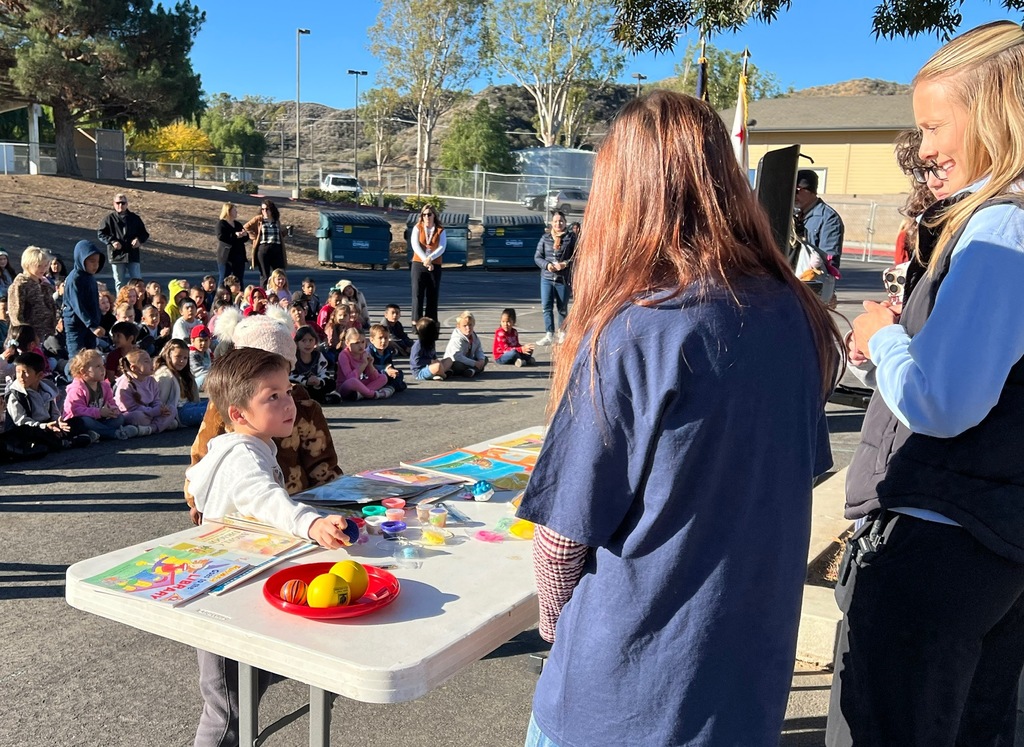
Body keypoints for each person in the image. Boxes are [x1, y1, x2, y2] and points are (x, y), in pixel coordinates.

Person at [514, 91, 842, 747]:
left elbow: (558, 542)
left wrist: (556, 624)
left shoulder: (640, 325)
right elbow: (783, 480)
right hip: (741, 689)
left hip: (621, 696)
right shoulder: (793, 314)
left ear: (625, 195)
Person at [825, 21, 1024, 747]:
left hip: (937, 545)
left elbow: (945, 400)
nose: (925, 148)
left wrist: (884, 337)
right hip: (986, 542)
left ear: (998, 112)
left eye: (934, 125)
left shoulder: (1001, 228)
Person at [185, 347, 354, 747]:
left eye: (287, 391)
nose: (288, 403)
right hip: (223, 597)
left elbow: (208, 483)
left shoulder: (247, 445)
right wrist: (309, 523)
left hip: (240, 583)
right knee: (227, 711)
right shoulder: (244, 455)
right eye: (271, 396)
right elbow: (263, 497)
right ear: (239, 414)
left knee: (246, 688)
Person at [187, 313, 343, 510]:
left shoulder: (304, 407)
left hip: (298, 504)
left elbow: (322, 464)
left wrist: (335, 500)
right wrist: (197, 500)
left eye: (280, 369)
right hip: (244, 509)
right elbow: (202, 455)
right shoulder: (223, 407)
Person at [4, 351, 91, 450]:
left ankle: (68, 439)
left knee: (77, 422)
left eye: (25, 372)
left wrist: (58, 423)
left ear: (40, 375)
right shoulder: (15, 394)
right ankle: (65, 443)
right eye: (18, 372)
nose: (21, 376)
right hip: (28, 429)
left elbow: (54, 412)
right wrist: (44, 426)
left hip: (47, 426)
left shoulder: (47, 390)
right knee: (33, 433)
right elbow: (21, 421)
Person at [62, 348, 136, 441]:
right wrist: (99, 412)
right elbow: (76, 411)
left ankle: (98, 434)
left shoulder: (104, 385)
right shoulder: (77, 388)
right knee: (86, 421)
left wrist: (113, 410)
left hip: (98, 420)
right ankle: (114, 433)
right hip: (79, 422)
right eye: (98, 366)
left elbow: (111, 401)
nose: (103, 369)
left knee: (119, 418)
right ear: (83, 371)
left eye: (103, 365)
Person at [534, 210, 576, 346]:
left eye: (561, 221)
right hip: (546, 278)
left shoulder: (571, 238)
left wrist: (565, 263)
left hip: (562, 279)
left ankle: (562, 333)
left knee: (562, 307)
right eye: (556, 221)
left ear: (565, 223)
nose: (559, 223)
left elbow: (578, 256)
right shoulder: (545, 238)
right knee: (546, 307)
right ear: (552, 223)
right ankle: (549, 334)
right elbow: (537, 257)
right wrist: (547, 266)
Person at [62, 240, 107, 361]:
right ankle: (69, 379)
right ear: (81, 259)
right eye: (91, 261)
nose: (95, 265)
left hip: (90, 326)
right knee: (77, 360)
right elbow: (78, 306)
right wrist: (92, 326)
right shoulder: (75, 279)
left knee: (90, 359)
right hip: (76, 325)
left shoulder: (90, 278)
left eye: (97, 262)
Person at [113, 349, 174, 434]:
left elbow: (156, 400)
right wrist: (155, 411)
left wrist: (160, 408)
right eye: (146, 361)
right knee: (138, 417)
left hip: (150, 412)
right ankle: (160, 425)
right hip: (133, 413)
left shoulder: (151, 380)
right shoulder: (125, 384)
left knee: (172, 409)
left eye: (150, 360)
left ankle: (150, 429)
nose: (151, 363)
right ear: (134, 368)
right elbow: (131, 408)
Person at [97, 192, 149, 291]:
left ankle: (138, 303)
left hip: (132, 254)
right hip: (116, 255)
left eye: (123, 203)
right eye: (118, 203)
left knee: (137, 281)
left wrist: (139, 240)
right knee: (119, 282)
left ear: (127, 204)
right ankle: (120, 304)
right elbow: (101, 234)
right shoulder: (108, 219)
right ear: (114, 204)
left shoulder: (135, 218)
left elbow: (144, 234)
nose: (120, 205)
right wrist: (112, 241)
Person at [6, 246, 58, 346]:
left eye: (46, 265)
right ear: (28, 265)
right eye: (39, 266)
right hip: (27, 340)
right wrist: (27, 337)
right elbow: (16, 316)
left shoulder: (44, 284)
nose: (44, 269)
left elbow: (51, 306)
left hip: (46, 335)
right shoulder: (20, 285)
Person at [794, 169, 845, 268]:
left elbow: (829, 258)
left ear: (811, 191)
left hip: (813, 278)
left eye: (797, 190)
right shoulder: (792, 214)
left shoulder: (829, 218)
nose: (793, 194)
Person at [153, 339, 208, 428]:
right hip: (179, 413)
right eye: (178, 356)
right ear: (168, 356)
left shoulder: (184, 373)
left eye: (185, 358)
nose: (182, 361)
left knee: (214, 404)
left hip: (189, 406)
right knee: (209, 411)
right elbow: (160, 400)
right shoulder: (165, 375)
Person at [335, 328, 394, 401]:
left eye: (363, 342)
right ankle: (374, 394)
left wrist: (370, 365)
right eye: (356, 343)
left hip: (358, 384)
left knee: (383, 377)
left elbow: (374, 377)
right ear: (347, 343)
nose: (361, 346)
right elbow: (349, 377)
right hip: (345, 386)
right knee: (353, 381)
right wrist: (364, 364)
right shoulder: (343, 355)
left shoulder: (364, 353)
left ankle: (361, 394)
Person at [410, 205, 445, 321]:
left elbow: (442, 247)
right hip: (419, 264)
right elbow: (415, 245)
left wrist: (430, 258)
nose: (426, 217)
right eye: (424, 215)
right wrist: (425, 259)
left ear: (434, 215)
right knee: (417, 295)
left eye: (429, 214)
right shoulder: (417, 228)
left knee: (432, 296)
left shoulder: (440, 229)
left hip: (435, 264)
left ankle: (430, 324)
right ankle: (416, 323)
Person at [290, 325, 340, 405]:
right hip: (302, 385)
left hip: (316, 386)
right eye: (304, 341)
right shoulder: (294, 357)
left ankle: (318, 398)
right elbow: (291, 376)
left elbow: (324, 372)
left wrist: (319, 381)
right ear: (297, 343)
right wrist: (306, 381)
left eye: (311, 340)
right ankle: (315, 399)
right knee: (294, 387)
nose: (308, 344)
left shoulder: (318, 355)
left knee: (331, 383)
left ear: (315, 342)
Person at [244, 199, 286, 287]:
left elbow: (279, 234)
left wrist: (286, 231)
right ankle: (263, 294)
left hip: (276, 248)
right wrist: (254, 237)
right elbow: (246, 227)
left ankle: (278, 293)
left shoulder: (276, 221)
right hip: (263, 248)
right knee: (265, 275)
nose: (265, 211)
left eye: (267, 209)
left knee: (279, 273)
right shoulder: (259, 219)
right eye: (263, 209)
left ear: (272, 210)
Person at [443, 310, 487, 377]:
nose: (468, 328)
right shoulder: (457, 339)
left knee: (485, 358)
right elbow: (457, 357)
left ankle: (471, 370)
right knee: (457, 365)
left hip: (468, 360)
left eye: (470, 325)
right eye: (464, 326)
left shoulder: (474, 336)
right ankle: (473, 369)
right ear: (458, 326)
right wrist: (474, 363)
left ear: (473, 324)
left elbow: (479, 349)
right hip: (455, 361)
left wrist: (481, 360)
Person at [409, 316, 453, 381]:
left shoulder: (431, 342)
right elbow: (416, 361)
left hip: (432, 366)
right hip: (421, 371)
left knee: (449, 360)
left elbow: (434, 356)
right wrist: (430, 361)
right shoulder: (418, 345)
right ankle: (444, 375)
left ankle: (438, 373)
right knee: (437, 366)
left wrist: (436, 360)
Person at [215, 203, 248, 288]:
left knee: (239, 280)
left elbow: (245, 238)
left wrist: (244, 235)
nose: (236, 212)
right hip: (226, 257)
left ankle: (240, 298)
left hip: (239, 257)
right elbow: (221, 236)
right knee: (224, 279)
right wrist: (235, 235)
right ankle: (221, 298)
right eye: (234, 210)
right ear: (228, 211)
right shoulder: (221, 224)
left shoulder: (237, 224)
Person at [367, 323, 406, 393]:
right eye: (380, 338)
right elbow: (368, 370)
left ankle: (391, 386)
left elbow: (390, 364)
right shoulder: (369, 352)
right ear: (372, 340)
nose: (383, 341)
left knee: (399, 373)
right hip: (374, 375)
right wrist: (384, 372)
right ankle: (392, 387)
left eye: (386, 338)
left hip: (385, 373)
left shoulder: (388, 351)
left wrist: (392, 370)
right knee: (385, 378)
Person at [189, 324, 213, 390]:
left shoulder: (208, 352)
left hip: (208, 376)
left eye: (206, 340)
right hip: (194, 381)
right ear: (192, 341)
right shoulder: (191, 354)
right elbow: (198, 372)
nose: (203, 343)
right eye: (200, 340)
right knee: (205, 377)